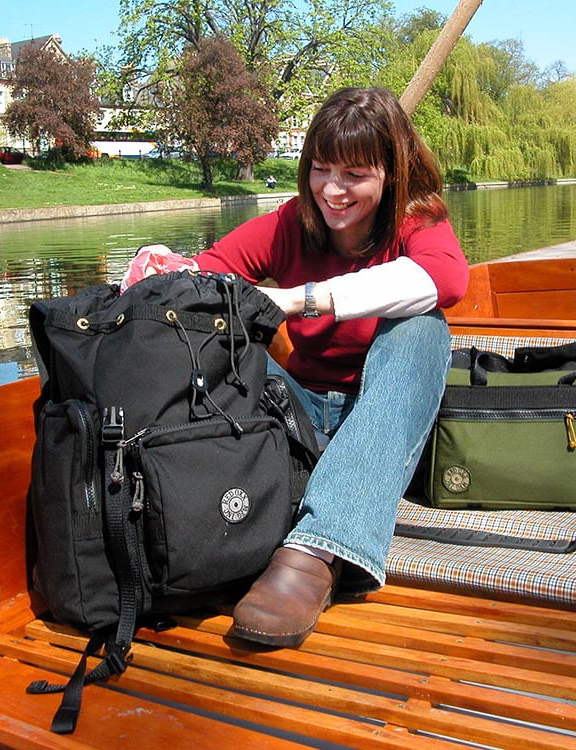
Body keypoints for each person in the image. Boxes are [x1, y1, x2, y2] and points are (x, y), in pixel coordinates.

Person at [191, 86, 470, 647]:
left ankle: (319, 548)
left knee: (423, 326)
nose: (332, 191)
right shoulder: (291, 222)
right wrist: (157, 271)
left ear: (391, 174)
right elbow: (205, 276)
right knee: (216, 328)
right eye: (321, 170)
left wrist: (297, 299)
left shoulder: (418, 221)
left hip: (378, 424)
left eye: (354, 175)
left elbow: (447, 279)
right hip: (295, 415)